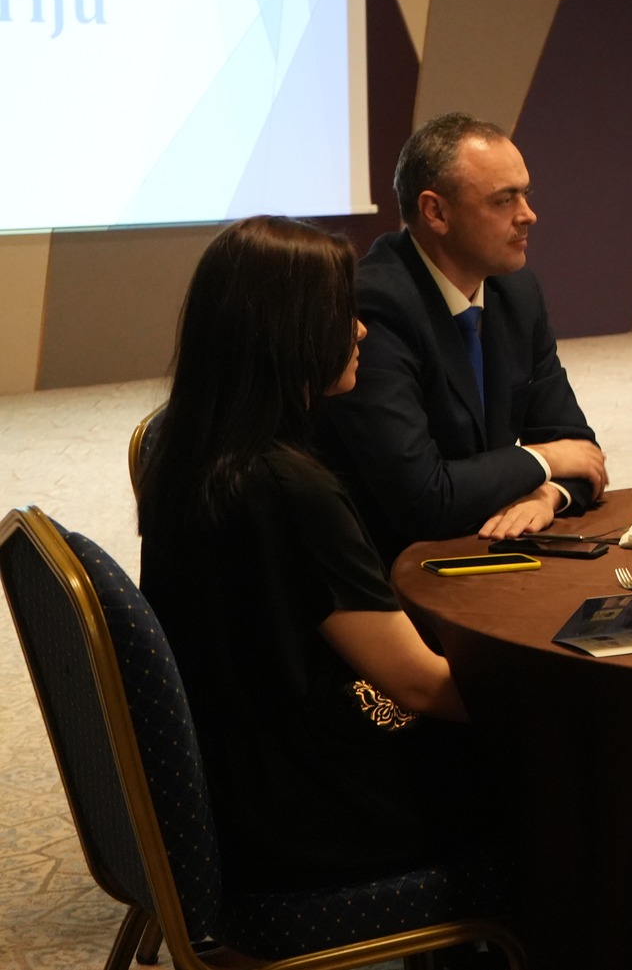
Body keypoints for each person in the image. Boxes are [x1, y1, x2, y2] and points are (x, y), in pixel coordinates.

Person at [138, 217, 497, 893]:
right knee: (546, 770)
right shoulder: (290, 489)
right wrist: (562, 706)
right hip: (305, 809)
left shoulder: (190, 449)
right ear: (289, 331)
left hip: (234, 775)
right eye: (340, 313)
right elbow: (419, 684)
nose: (360, 330)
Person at [323, 113, 607, 565]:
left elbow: (581, 450)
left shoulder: (516, 291)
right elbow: (424, 499)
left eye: (526, 194)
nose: (528, 215)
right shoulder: (376, 305)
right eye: (504, 200)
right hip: (395, 568)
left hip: (489, 550)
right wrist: (545, 460)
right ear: (436, 212)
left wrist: (546, 495)